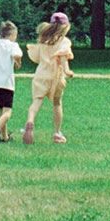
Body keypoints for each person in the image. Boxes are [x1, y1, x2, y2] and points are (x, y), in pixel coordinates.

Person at [23, 12, 75, 144]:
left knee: (37, 101)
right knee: (57, 103)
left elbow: (35, 57)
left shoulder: (43, 41)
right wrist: (67, 70)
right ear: (66, 26)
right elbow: (63, 56)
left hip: (41, 74)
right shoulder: (64, 41)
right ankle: (57, 133)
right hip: (56, 76)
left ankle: (30, 121)